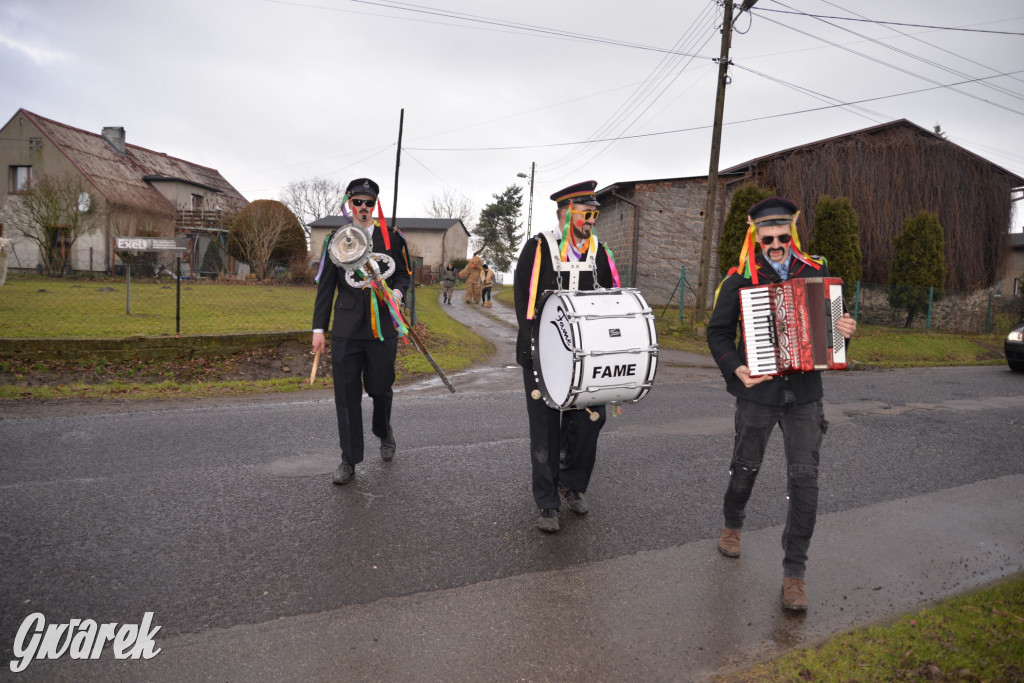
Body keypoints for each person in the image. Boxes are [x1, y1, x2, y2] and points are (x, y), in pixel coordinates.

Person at [706, 196, 856, 611]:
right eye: (768, 238)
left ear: (792, 234)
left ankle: (795, 576)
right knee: (745, 466)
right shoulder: (739, 279)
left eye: (782, 237)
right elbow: (717, 335)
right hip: (758, 392)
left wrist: (846, 328)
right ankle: (732, 524)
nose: (776, 244)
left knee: (804, 481)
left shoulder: (816, 271)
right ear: (756, 236)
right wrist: (736, 369)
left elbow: (834, 333)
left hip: (805, 394)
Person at [513, 180, 618, 533]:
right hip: (542, 353)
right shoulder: (538, 247)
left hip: (586, 356)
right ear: (565, 213)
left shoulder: (600, 251)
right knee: (545, 428)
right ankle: (546, 503)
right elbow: (523, 302)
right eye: (586, 214)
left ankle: (572, 484)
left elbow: (611, 298)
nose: (591, 221)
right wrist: (532, 350)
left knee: (590, 421)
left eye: (595, 214)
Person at [312, 177, 412, 486]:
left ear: (375, 206)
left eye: (369, 203)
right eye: (358, 202)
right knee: (346, 394)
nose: (364, 208)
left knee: (380, 388)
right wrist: (319, 329)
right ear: (349, 205)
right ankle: (349, 459)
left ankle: (384, 431)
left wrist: (396, 294)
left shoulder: (392, 238)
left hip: (382, 327)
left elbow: (404, 277)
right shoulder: (337, 239)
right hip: (346, 329)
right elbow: (326, 286)